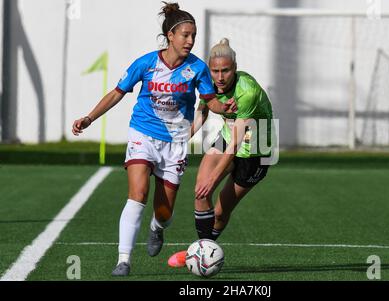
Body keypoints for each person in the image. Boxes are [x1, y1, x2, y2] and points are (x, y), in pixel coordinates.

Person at [72, 3, 236, 276]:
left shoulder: (197, 69)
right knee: (138, 195)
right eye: (185, 34)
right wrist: (90, 118)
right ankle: (123, 259)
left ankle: (157, 228)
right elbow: (116, 93)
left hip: (175, 144)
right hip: (143, 134)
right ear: (170, 35)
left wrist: (225, 108)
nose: (191, 40)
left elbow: (209, 103)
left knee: (163, 212)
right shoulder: (146, 63)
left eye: (193, 35)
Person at [168, 38, 274, 268]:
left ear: (235, 68)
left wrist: (214, 179)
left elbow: (237, 144)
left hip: (256, 151)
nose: (220, 77)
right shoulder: (208, 82)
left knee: (220, 212)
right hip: (228, 139)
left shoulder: (248, 91)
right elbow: (202, 112)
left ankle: (200, 250)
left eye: (225, 70)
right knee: (200, 191)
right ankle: (201, 253)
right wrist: (183, 139)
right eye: (215, 71)